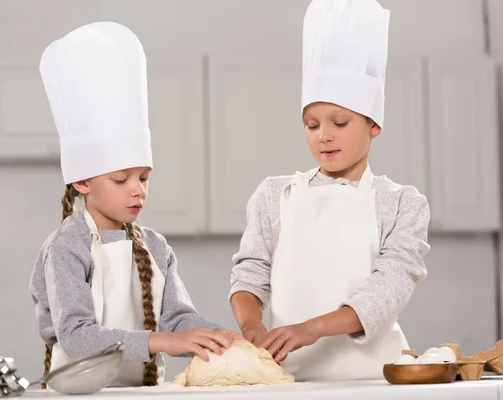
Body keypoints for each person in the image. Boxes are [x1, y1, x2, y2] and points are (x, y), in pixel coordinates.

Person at [29, 21, 240, 387]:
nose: (137, 190)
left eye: (144, 178)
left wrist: (222, 338)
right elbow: (78, 337)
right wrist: (163, 342)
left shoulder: (155, 247)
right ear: (82, 181)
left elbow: (177, 320)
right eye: (120, 179)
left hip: (144, 393)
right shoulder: (67, 247)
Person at [229, 0, 431, 381]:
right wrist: (252, 326)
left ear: (374, 124)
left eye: (339, 122)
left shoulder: (403, 204)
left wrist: (311, 328)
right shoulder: (274, 196)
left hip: (375, 380)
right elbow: (250, 274)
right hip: (288, 381)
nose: (323, 135)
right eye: (311, 124)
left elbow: (386, 291)